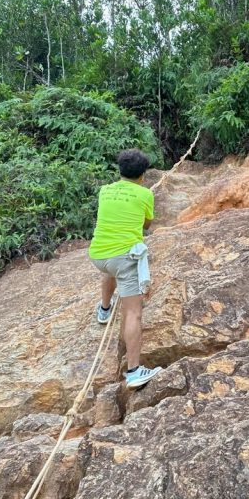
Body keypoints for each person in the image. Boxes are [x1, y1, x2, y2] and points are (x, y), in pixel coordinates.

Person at [88, 149, 163, 389]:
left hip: (98, 254)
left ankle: (104, 308)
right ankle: (133, 371)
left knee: (109, 269)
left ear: (119, 171)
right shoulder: (145, 194)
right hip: (124, 259)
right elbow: (147, 224)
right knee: (133, 313)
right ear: (143, 174)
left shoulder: (105, 190)